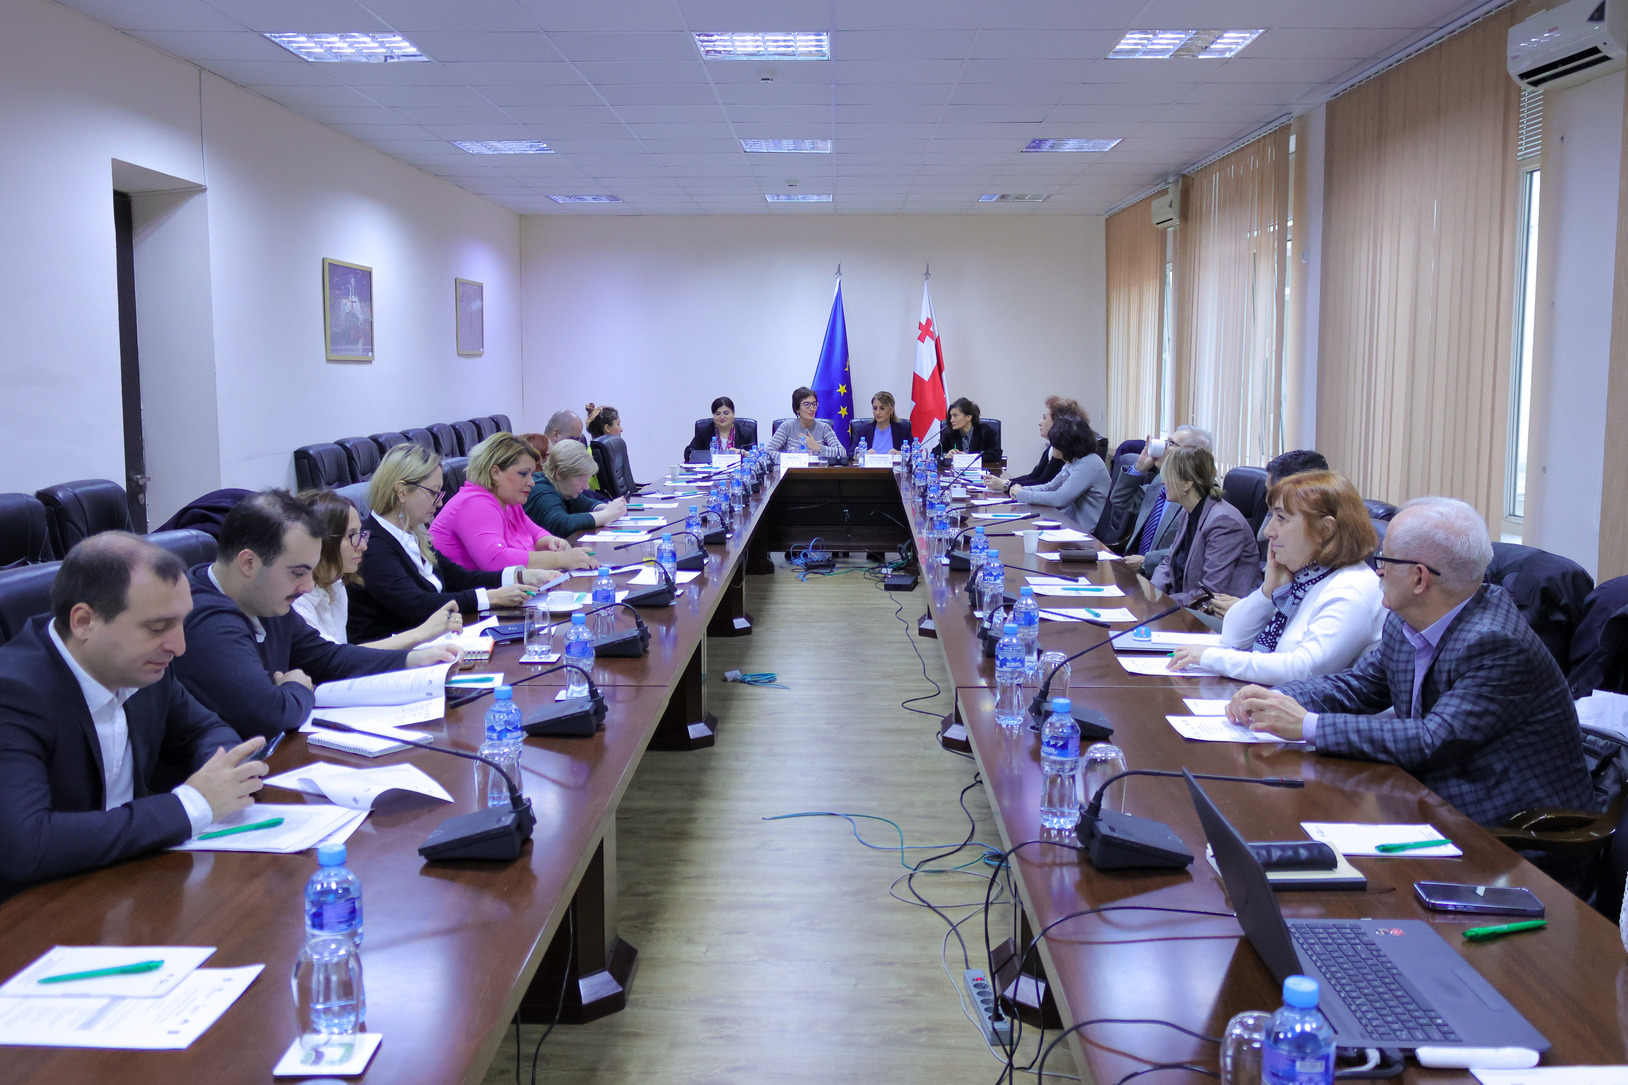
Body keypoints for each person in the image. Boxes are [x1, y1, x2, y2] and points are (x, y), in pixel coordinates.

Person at [1227, 497, 1596, 830]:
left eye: (1384, 561)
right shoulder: (1407, 619)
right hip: (1428, 802)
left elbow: (1430, 740)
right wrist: (1276, 698)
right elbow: (1359, 686)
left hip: (1510, 835)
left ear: (1419, 578)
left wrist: (1307, 724)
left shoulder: (1496, 644)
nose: (1377, 572)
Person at [0, 534, 268, 900]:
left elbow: (204, 729)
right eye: (157, 627)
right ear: (83, 622)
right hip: (39, 907)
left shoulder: (142, 668)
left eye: (181, 623)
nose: (178, 647)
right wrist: (193, 804)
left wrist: (223, 773)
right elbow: (26, 845)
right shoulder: (13, 694)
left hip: (125, 879)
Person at [172, 490, 458, 741]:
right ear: (249, 563)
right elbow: (270, 714)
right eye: (297, 573)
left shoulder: (263, 596)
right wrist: (297, 687)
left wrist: (412, 660)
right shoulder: (206, 619)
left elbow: (325, 657)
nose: (308, 586)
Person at [1166, 471, 1383, 684]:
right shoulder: (1305, 575)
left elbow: (1304, 670)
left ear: (1326, 529)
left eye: (1281, 518)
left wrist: (1210, 657)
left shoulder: (1351, 590)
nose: (1268, 531)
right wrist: (1266, 593)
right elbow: (1233, 637)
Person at [349, 444, 557, 645]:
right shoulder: (372, 544)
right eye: (433, 493)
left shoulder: (412, 534)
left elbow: (459, 578)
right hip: (388, 656)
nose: (439, 502)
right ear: (402, 491)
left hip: (428, 643)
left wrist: (519, 576)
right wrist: (490, 597)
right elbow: (416, 605)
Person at [292, 489, 461, 648]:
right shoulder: (298, 601)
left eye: (361, 534)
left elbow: (343, 653)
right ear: (322, 541)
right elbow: (333, 658)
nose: (363, 546)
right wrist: (421, 634)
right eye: (352, 536)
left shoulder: (336, 584)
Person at [430, 432, 594, 572]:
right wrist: (560, 559)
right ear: (495, 472)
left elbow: (536, 534)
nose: (532, 482)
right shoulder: (475, 503)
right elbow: (495, 559)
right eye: (523, 474)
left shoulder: (508, 501)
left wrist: (552, 542)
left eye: (531, 474)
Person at [1148, 446, 1263, 606]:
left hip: (1213, 613)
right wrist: (1152, 592)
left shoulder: (1223, 522)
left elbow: (1210, 591)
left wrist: (1163, 601)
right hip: (1185, 601)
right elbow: (1168, 561)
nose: (1163, 481)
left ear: (1187, 483)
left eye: (1168, 477)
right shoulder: (1188, 511)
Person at [1104, 425, 1213, 571]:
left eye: (1171, 443)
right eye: (1166, 441)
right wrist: (1140, 468)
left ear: (1192, 455)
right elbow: (1120, 500)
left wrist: (1146, 561)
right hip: (1132, 567)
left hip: (1161, 573)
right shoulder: (1159, 482)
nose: (1163, 447)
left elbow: (1191, 550)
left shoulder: (1198, 494)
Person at [988, 416, 1109, 533]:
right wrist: (1018, 489)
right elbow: (1049, 487)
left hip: (1085, 533)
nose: (1051, 445)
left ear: (1065, 444)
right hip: (1070, 525)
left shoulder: (1089, 463)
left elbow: (1060, 499)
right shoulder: (1073, 461)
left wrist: (1021, 494)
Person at [525, 439, 629, 537]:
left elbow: (587, 504)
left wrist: (610, 508)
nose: (586, 486)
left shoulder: (562, 487)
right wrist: (607, 514)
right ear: (560, 474)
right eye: (582, 480)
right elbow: (560, 524)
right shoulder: (540, 489)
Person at [992, 396, 1085, 489]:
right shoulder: (1052, 448)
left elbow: (1043, 483)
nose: (1040, 423)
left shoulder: (1063, 450)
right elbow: (1034, 476)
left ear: (1058, 423)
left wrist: (1006, 485)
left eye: (1044, 418)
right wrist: (1004, 482)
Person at [762, 386, 844, 461]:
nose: (812, 409)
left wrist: (817, 447)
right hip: (793, 471)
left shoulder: (824, 427)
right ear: (797, 408)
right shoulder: (787, 426)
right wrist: (794, 458)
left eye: (814, 404)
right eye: (806, 404)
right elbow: (768, 452)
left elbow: (842, 453)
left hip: (817, 470)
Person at [686, 396, 758, 458]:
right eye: (717, 414)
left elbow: (756, 455)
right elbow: (688, 453)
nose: (722, 417)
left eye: (726, 413)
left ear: (733, 414)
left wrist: (742, 452)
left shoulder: (746, 433)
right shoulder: (704, 432)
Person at [934, 397, 1001, 461]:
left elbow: (996, 454)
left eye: (955, 415)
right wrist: (945, 455)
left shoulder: (985, 432)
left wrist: (969, 457)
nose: (951, 420)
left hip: (981, 469)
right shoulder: (950, 434)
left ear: (968, 417)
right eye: (951, 416)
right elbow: (934, 453)